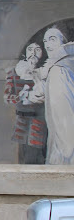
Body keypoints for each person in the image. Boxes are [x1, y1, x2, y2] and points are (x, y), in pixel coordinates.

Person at [4, 41, 47, 164]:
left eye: (37, 49)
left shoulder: (45, 72)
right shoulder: (13, 72)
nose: (33, 53)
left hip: (41, 122)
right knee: (23, 155)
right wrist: (19, 97)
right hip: (21, 121)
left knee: (38, 155)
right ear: (25, 52)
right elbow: (7, 98)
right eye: (30, 49)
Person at [36, 26, 74, 164]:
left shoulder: (59, 69)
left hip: (65, 143)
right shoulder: (60, 67)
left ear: (63, 41)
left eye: (52, 39)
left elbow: (63, 115)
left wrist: (66, 149)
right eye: (45, 41)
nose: (47, 45)